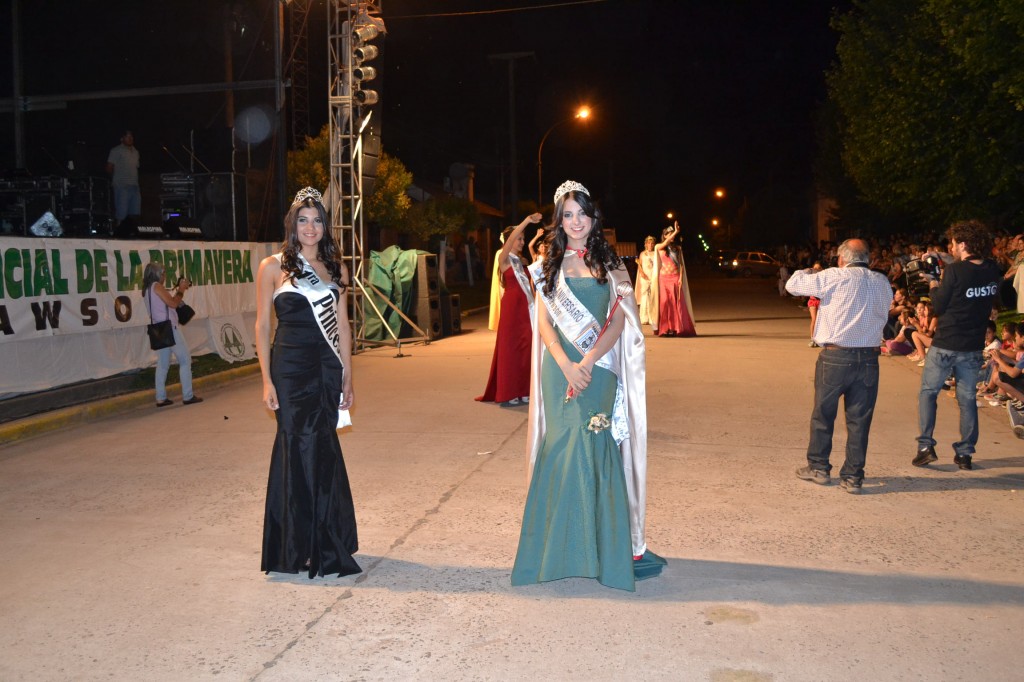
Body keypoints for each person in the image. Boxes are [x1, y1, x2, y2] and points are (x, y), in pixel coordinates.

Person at [511, 179, 665, 591]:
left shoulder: (611, 262)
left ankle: (599, 552)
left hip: (597, 371)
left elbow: (619, 321)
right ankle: (556, 550)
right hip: (558, 369)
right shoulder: (548, 261)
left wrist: (589, 362)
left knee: (595, 448)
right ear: (559, 221)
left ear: (594, 218)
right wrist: (564, 363)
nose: (576, 221)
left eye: (582, 213)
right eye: (568, 214)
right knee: (562, 449)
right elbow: (543, 322)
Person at [255, 187, 360, 578]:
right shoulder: (273, 266)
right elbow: (263, 325)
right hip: (289, 369)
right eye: (303, 219)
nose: (310, 227)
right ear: (292, 224)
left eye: (317, 220)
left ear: (324, 225)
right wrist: (267, 381)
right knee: (294, 445)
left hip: (326, 369)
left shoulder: (337, 269)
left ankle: (327, 540)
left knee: (323, 447)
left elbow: (344, 327)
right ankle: (293, 545)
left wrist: (348, 375)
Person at [785, 239, 893, 494]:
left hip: (836, 356)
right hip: (868, 358)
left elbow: (792, 285)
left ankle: (819, 468)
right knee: (859, 420)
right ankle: (853, 477)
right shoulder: (882, 282)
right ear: (868, 259)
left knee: (823, 414)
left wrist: (811, 270)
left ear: (841, 259)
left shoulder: (832, 276)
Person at [914, 220, 1002, 471]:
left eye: (952, 243)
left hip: (946, 342)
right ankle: (964, 454)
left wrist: (933, 281)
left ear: (962, 244)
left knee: (928, 393)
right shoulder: (992, 269)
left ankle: (925, 447)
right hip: (972, 345)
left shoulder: (954, 272)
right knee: (967, 399)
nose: (950, 247)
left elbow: (938, 305)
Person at [476, 213, 543, 407]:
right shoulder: (504, 259)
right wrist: (527, 222)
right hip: (512, 310)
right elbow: (512, 238)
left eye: (523, 239)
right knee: (511, 349)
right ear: (510, 241)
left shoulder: (521, 262)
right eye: (519, 239)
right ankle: (510, 391)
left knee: (526, 349)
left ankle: (524, 389)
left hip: (526, 309)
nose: (522, 242)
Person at [142, 262, 202, 408]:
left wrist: (177, 290)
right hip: (170, 328)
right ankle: (188, 396)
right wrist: (181, 290)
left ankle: (161, 398)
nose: (164, 276)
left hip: (160, 330)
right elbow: (173, 304)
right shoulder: (157, 286)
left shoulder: (147, 289)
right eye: (163, 273)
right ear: (157, 274)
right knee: (185, 360)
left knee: (162, 364)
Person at [653, 221, 697, 337]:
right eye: (669, 234)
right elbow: (666, 243)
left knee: (675, 303)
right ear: (665, 235)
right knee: (664, 303)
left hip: (675, 277)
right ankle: (666, 328)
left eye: (673, 234)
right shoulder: (659, 246)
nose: (672, 236)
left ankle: (676, 328)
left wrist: (681, 278)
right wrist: (676, 231)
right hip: (663, 278)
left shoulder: (677, 248)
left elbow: (681, 265)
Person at [106, 129, 140, 225]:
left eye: (131, 136)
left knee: (135, 213)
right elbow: (109, 167)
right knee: (122, 213)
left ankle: (133, 234)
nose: (130, 138)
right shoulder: (116, 150)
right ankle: (119, 233)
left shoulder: (136, 152)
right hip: (122, 186)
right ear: (122, 139)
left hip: (134, 186)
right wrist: (116, 180)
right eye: (128, 136)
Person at [635, 236, 657, 327]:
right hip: (645, 277)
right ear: (645, 244)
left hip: (654, 276)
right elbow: (639, 265)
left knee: (653, 297)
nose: (650, 245)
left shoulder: (656, 253)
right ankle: (644, 318)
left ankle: (653, 317)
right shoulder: (643, 254)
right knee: (645, 297)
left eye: (652, 243)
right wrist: (642, 274)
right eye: (648, 243)